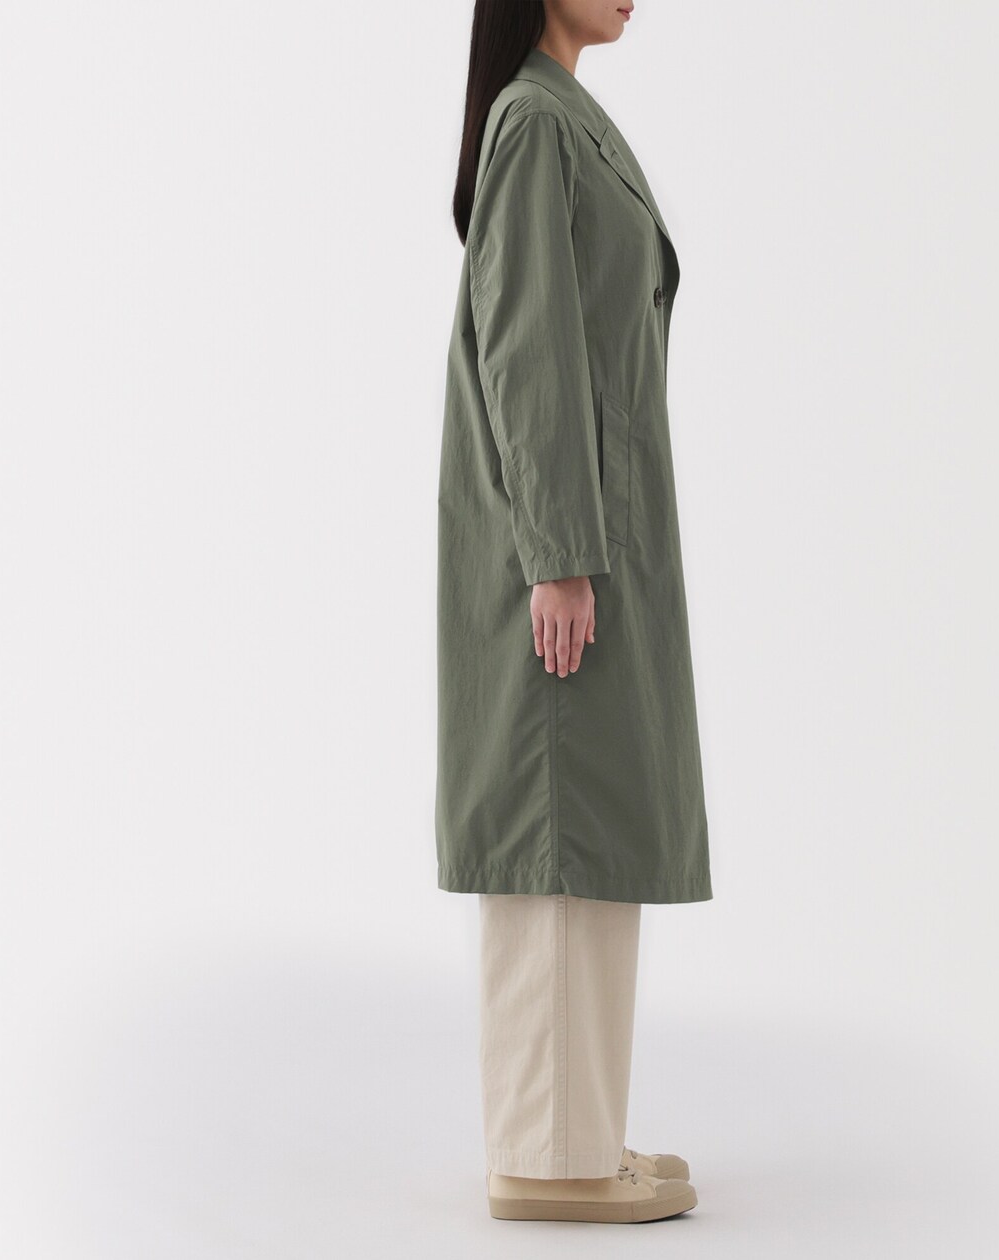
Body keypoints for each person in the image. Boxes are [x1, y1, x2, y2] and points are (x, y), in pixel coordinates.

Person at [435, 0, 713, 1224]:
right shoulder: (534, 125)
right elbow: (528, 344)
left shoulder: (558, 116)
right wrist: (555, 554)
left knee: (588, 830)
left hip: (598, 537)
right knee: (554, 830)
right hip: (565, 551)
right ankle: (547, 1160)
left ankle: (579, 1134)